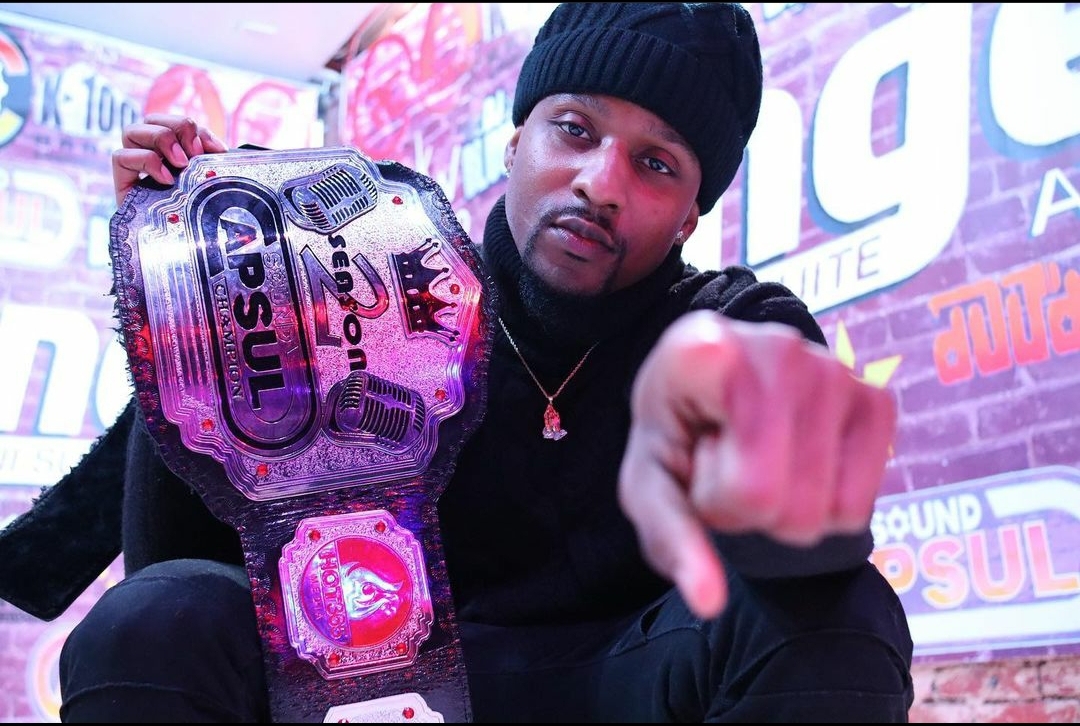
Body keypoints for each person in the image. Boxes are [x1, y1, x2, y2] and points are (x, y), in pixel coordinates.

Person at [54, 2, 914, 722]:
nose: (601, 183)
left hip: (624, 682)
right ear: (515, 142)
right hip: (386, 687)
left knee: (843, 608)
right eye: (574, 129)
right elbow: (176, 566)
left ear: (691, 215)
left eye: (656, 165)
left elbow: (813, 552)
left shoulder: (729, 325)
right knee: (159, 617)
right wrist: (187, 304)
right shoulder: (364, 294)